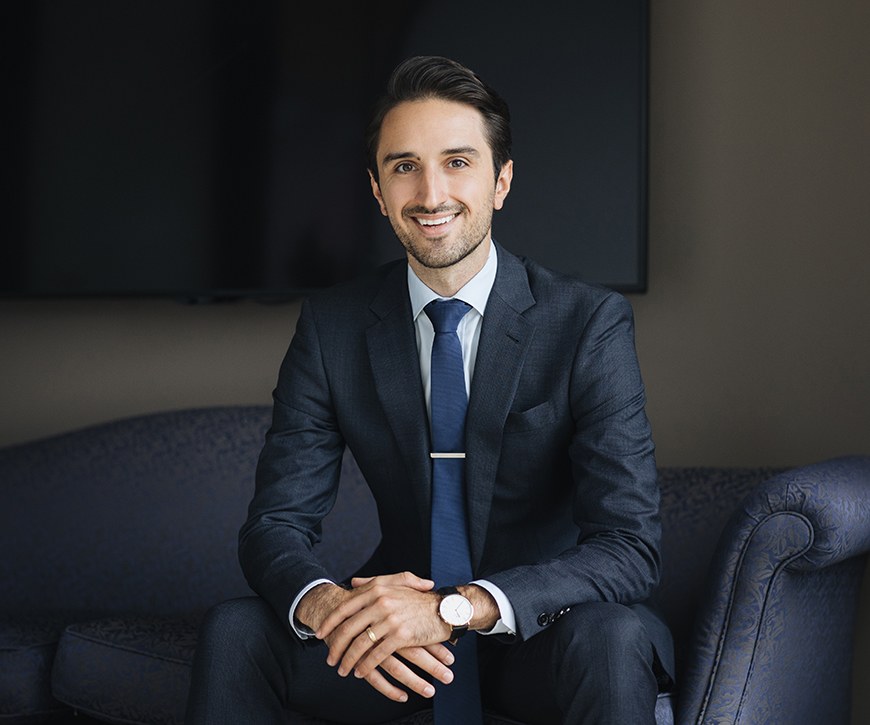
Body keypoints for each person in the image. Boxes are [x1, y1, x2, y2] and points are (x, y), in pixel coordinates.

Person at [186, 54, 674, 725]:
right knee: (237, 630)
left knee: (613, 635)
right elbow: (274, 526)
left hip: (544, 631)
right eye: (404, 166)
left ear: (501, 181)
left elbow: (629, 546)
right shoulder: (332, 327)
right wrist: (331, 607)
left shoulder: (588, 321)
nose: (430, 192)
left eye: (457, 162)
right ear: (377, 190)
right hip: (397, 648)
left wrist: (455, 608)